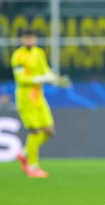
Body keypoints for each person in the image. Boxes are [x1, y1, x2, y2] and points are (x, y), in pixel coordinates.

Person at [11, 29, 71, 178]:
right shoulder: (18, 56)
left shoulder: (39, 53)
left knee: (49, 131)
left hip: (39, 98)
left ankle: (24, 153)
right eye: (27, 38)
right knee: (35, 131)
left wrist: (55, 79)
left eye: (32, 38)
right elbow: (21, 79)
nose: (30, 41)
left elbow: (45, 71)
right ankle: (33, 166)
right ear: (22, 40)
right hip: (25, 99)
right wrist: (41, 79)